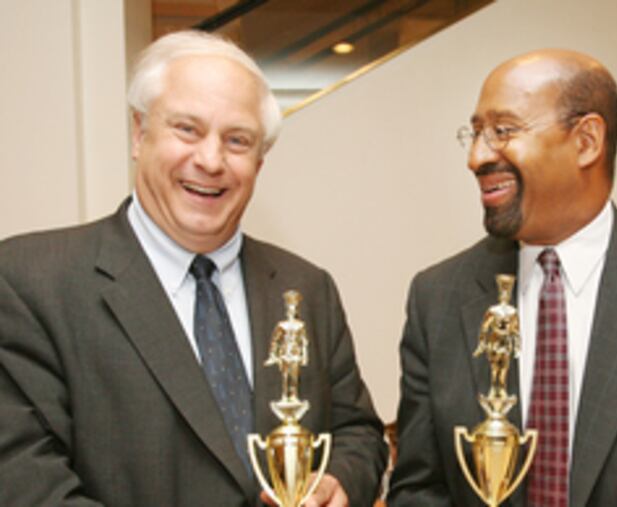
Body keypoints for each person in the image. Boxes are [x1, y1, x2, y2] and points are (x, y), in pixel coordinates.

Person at [0, 30, 386, 507]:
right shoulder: (30, 281)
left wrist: (339, 483)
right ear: (139, 134)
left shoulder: (306, 288)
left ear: (260, 163)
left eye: (237, 140)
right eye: (187, 129)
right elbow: (26, 482)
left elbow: (357, 433)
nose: (210, 160)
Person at [388, 49, 617, 506]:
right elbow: (419, 489)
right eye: (476, 132)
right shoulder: (438, 298)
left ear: (586, 141)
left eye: (503, 131)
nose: (476, 156)